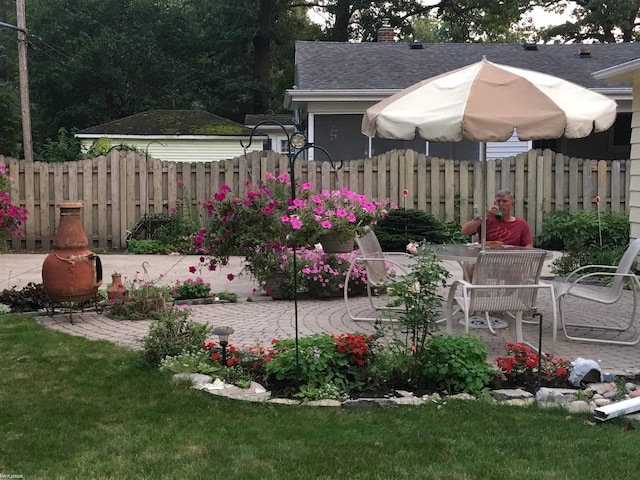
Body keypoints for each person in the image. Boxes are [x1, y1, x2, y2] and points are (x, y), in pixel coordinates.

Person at [461, 190, 533, 247]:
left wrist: (522, 258)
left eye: (504, 201)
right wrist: (485, 216)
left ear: (512, 205)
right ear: (494, 203)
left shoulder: (521, 224)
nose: (501, 204)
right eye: (498, 201)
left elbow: (529, 245)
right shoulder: (486, 220)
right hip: (487, 259)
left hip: (511, 260)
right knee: (473, 266)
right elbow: (464, 231)